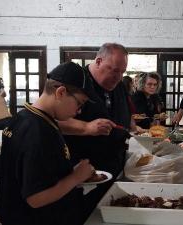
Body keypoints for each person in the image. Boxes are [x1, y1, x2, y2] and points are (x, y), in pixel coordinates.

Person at [0, 62, 97, 225]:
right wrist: (77, 177)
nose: (79, 111)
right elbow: (36, 198)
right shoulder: (38, 132)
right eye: (79, 103)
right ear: (61, 92)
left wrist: (71, 172)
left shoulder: (23, 118)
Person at [59, 43, 132, 203]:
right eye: (114, 70)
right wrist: (86, 127)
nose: (119, 77)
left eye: (122, 72)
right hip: (82, 172)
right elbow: (51, 120)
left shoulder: (118, 85)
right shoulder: (75, 80)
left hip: (114, 166)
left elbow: (124, 114)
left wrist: (132, 126)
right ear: (98, 61)